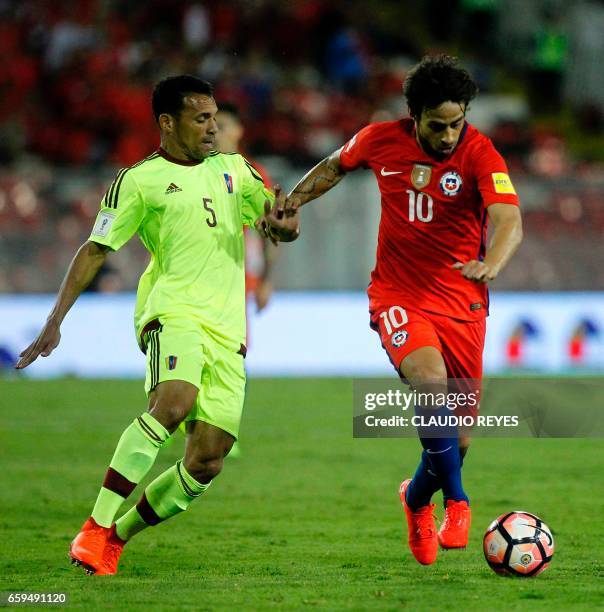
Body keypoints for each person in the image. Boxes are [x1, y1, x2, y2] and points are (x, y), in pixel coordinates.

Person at [16, 75, 300, 575]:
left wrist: (285, 224)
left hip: (227, 329)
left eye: (215, 118)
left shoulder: (235, 169)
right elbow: (95, 249)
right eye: (201, 119)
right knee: (173, 401)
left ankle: (117, 537)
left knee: (208, 459)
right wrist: (54, 320)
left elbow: (273, 218)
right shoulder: (139, 180)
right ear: (167, 123)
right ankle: (95, 526)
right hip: (171, 312)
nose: (214, 129)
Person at [286, 55, 522, 565]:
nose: (448, 136)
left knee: (455, 445)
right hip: (399, 295)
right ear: (413, 116)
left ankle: (415, 499)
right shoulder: (379, 138)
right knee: (429, 380)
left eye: (456, 123)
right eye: (437, 126)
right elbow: (332, 167)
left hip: (462, 302)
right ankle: (458, 503)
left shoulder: (480, 153)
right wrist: (291, 203)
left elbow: (508, 220)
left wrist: (492, 262)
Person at [215, 102, 275, 314]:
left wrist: (265, 280)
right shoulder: (192, 171)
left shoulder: (252, 175)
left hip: (234, 278)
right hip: (194, 278)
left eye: (221, 127)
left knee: (233, 344)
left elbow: (268, 230)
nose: (214, 133)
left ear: (238, 130)